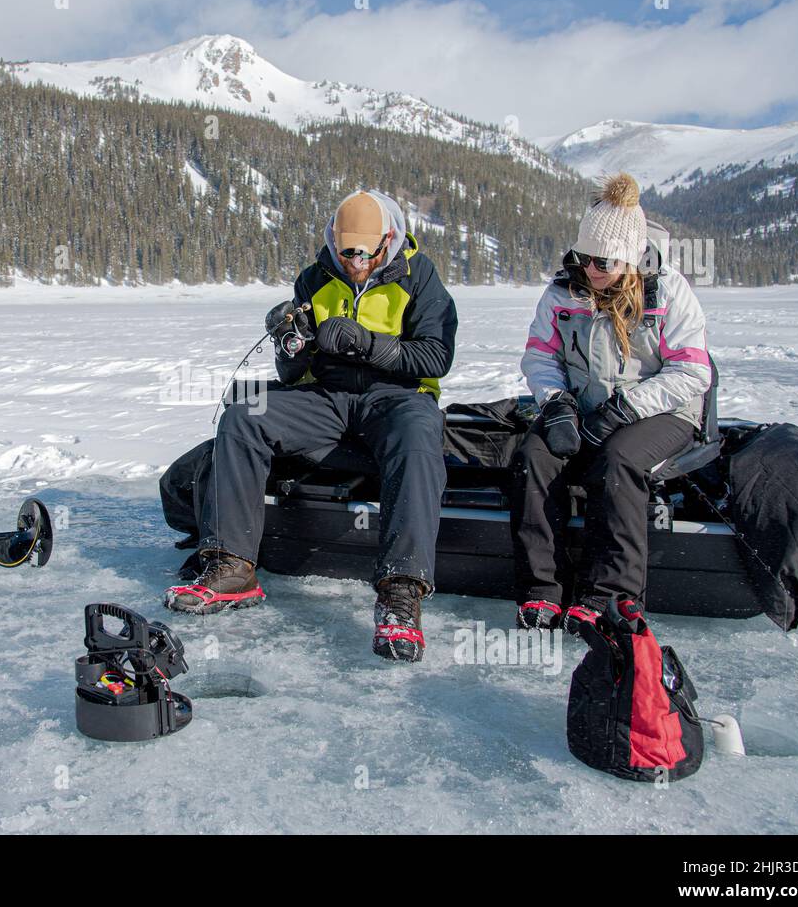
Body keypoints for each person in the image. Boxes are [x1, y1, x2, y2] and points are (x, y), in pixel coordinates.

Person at [163, 190, 458, 663]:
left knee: (420, 438)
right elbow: (291, 376)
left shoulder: (418, 276)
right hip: (326, 397)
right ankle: (232, 566)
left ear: (388, 241)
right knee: (245, 410)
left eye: (365, 252)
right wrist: (290, 346)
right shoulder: (314, 279)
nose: (356, 261)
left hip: (398, 397)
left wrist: (369, 344)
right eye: (348, 252)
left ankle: (401, 593)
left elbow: (436, 356)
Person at [513, 172, 711, 631]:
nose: (592, 269)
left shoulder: (669, 292)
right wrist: (557, 402)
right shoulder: (562, 292)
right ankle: (541, 590)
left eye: (603, 260)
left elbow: (693, 372)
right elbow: (540, 356)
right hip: (585, 406)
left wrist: (626, 409)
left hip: (664, 411)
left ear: (629, 258)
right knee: (533, 457)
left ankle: (610, 595)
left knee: (619, 461)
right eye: (584, 258)